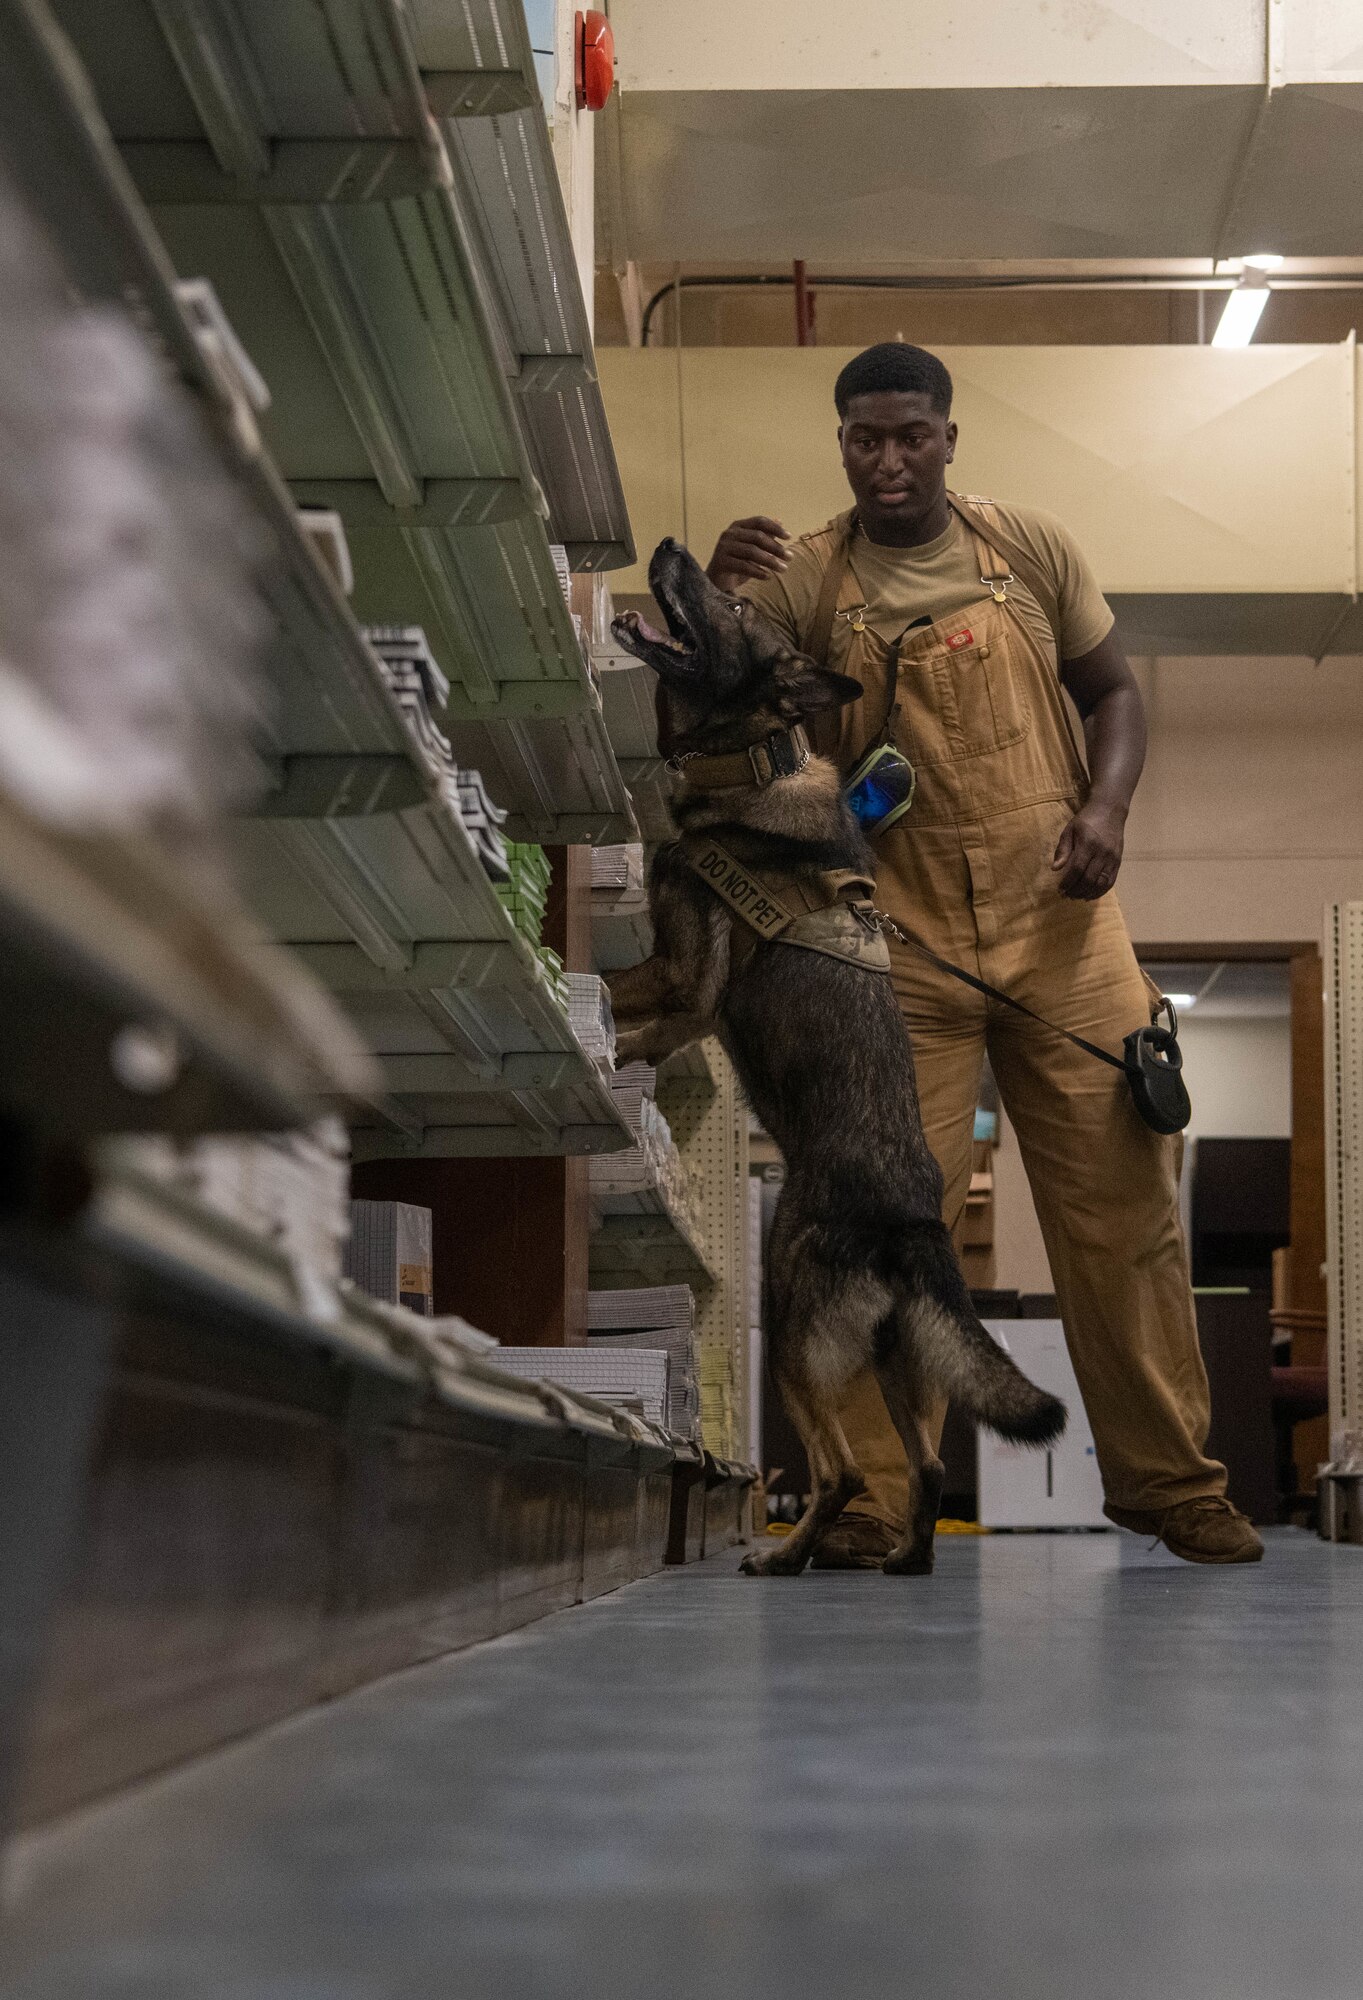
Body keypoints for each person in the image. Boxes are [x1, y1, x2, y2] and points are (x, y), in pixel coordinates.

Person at [706, 342, 1262, 1566]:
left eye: (911, 435)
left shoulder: (1033, 548)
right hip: (896, 943)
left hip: (1065, 928)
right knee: (878, 1222)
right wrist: (723, 605)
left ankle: (1171, 1485)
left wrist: (1106, 810)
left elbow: (1113, 692)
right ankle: (874, 1501)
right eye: (864, 438)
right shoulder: (803, 576)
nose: (888, 459)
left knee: (1125, 1214)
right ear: (840, 442)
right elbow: (705, 727)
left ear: (949, 437)